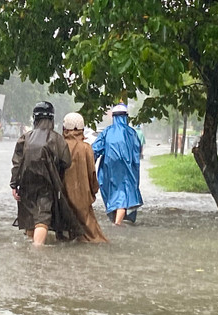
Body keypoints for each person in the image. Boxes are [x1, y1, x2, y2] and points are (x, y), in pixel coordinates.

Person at [10, 101, 82, 246]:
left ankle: (31, 248)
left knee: (30, 217)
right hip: (47, 182)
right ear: (52, 119)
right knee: (43, 217)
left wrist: (14, 184)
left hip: (26, 182)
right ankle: (38, 251)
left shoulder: (25, 138)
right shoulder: (56, 139)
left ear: (35, 118)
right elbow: (66, 162)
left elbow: (17, 163)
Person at [92, 103, 143, 225]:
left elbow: (94, 150)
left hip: (109, 168)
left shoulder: (107, 132)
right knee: (124, 192)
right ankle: (118, 224)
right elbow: (137, 151)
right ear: (126, 117)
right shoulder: (132, 133)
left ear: (113, 117)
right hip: (128, 167)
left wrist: (89, 165)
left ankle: (117, 221)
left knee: (114, 193)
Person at [61, 112, 108, 243]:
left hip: (62, 198)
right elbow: (92, 175)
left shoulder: (59, 145)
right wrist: (92, 191)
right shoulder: (87, 148)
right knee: (93, 237)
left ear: (64, 128)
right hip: (83, 198)